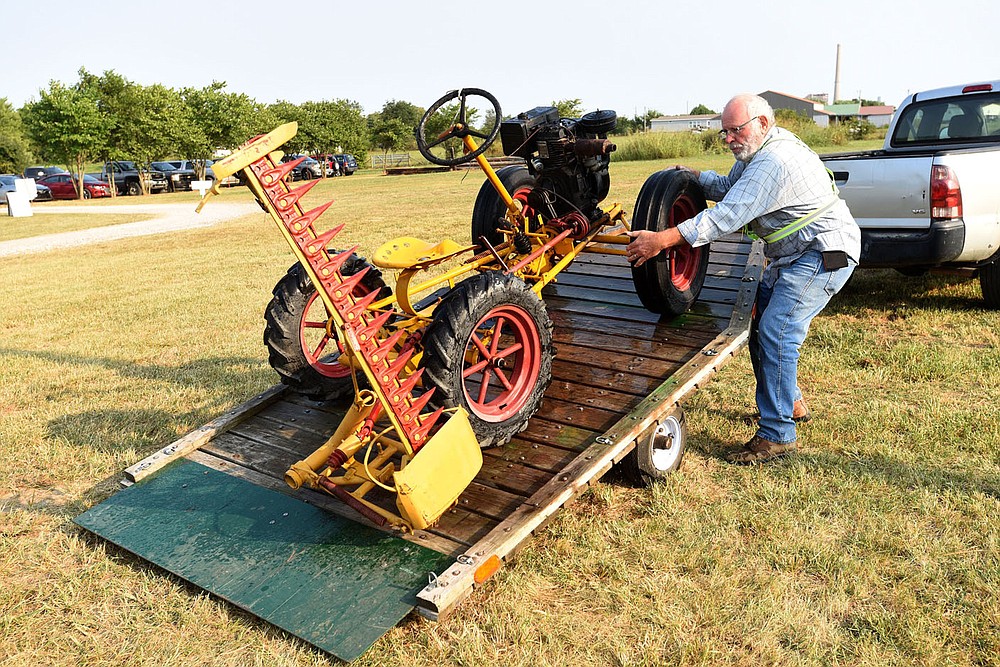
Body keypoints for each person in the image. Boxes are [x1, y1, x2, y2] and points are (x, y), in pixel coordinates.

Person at [626, 93, 860, 464]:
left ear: (763, 124)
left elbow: (726, 217)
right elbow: (727, 190)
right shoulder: (757, 154)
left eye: (736, 130)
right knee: (761, 328)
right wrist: (693, 177)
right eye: (725, 132)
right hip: (793, 255)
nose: (730, 139)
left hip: (822, 253)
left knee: (777, 332)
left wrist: (663, 239)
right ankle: (790, 403)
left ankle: (778, 435)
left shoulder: (773, 161)